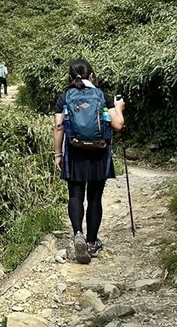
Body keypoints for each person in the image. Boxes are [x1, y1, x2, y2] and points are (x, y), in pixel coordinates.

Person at [52, 58, 125, 264]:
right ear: (92, 76)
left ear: (69, 77)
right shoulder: (103, 96)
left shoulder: (64, 97)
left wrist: (58, 154)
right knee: (95, 198)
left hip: (74, 152)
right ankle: (92, 243)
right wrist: (119, 107)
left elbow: (59, 128)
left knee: (75, 195)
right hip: (99, 152)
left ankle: (78, 235)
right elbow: (118, 125)